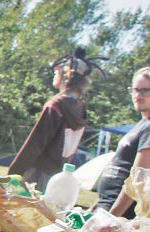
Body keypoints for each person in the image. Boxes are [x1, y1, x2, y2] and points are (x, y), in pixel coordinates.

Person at [8, 48, 98, 191]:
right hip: (57, 175)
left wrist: (13, 173)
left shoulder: (56, 106)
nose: (54, 75)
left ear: (65, 76)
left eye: (56, 72)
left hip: (37, 174)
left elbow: (36, 144)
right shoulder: (80, 108)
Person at [95, 66, 150, 218]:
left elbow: (138, 180)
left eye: (146, 91)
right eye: (135, 89)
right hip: (107, 206)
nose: (138, 95)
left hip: (121, 216)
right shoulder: (145, 123)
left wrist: (111, 218)